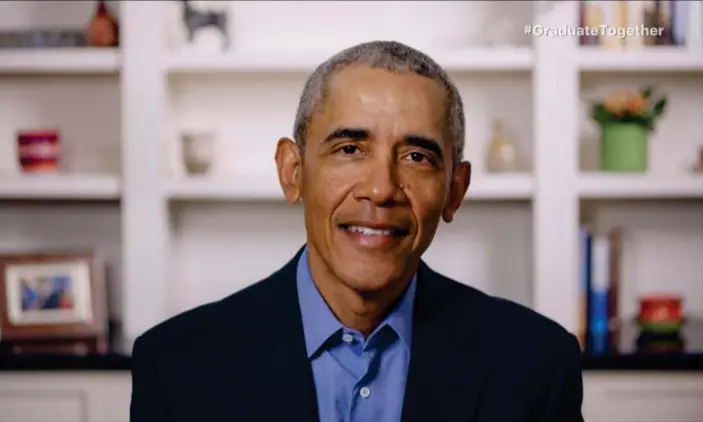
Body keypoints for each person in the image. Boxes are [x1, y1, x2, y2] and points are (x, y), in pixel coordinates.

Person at [130, 40, 584, 422]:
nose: (382, 189)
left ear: (454, 191)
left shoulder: (538, 366)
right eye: (350, 148)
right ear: (293, 172)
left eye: (417, 157)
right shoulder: (176, 367)